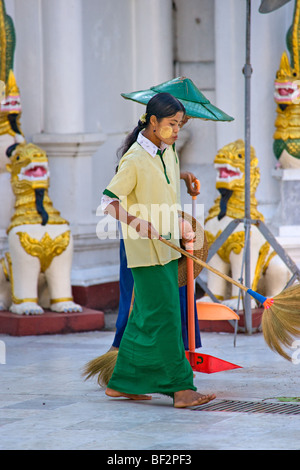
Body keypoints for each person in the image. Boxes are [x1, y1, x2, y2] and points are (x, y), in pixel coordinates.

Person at [101, 92, 216, 407]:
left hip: (168, 248)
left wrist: (182, 179)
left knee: (144, 318)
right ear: (152, 122)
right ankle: (181, 389)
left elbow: (158, 184)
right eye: (171, 123)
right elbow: (108, 201)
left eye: (179, 124)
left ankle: (121, 383)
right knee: (166, 318)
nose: (177, 130)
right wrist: (135, 221)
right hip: (146, 253)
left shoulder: (167, 152)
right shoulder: (134, 158)